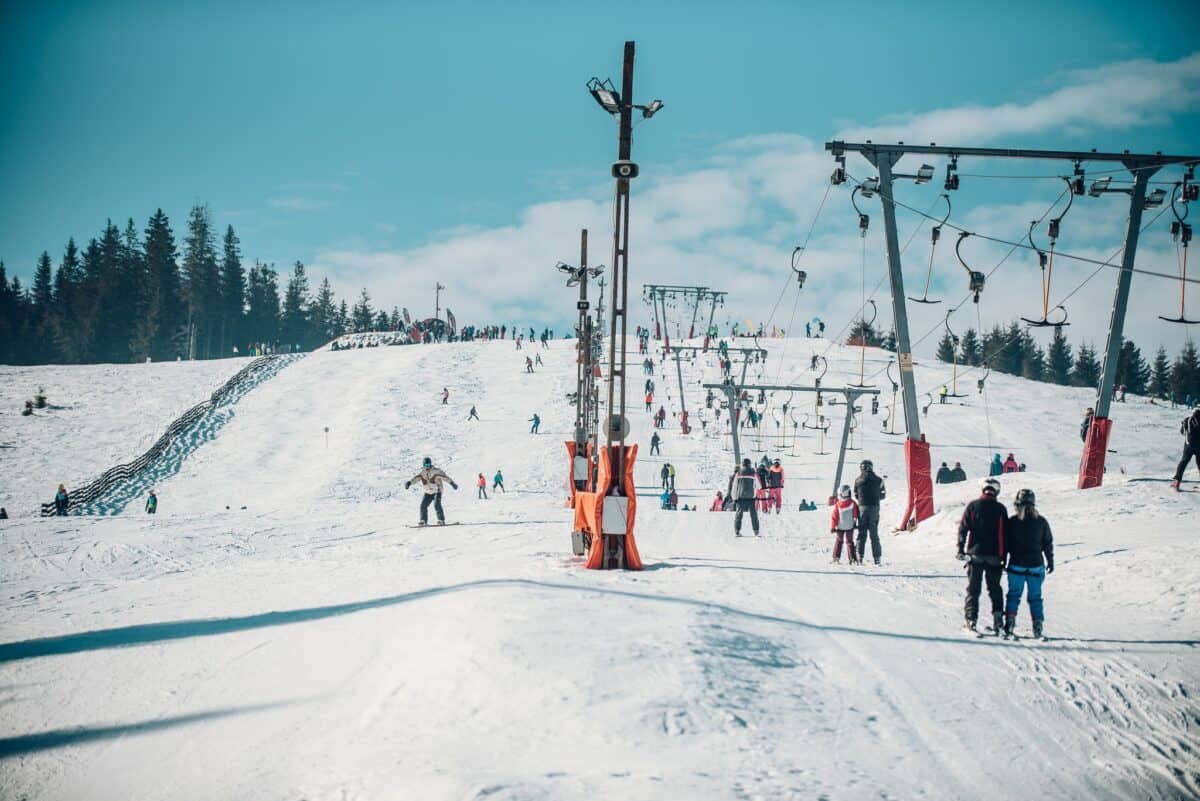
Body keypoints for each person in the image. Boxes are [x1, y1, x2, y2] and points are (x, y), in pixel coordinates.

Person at [957, 477, 1008, 635]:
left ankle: (971, 620)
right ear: (996, 491)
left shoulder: (973, 506)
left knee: (973, 589)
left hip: (975, 554)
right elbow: (1005, 535)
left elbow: (963, 528)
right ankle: (998, 620)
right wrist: (1004, 558)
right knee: (995, 589)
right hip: (994, 556)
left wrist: (961, 549)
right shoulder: (1001, 509)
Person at [1003, 489, 1054, 639]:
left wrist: (1002, 561)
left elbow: (1005, 544)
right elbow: (1048, 543)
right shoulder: (1041, 521)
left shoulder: (1012, 522)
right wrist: (1050, 560)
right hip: (1036, 565)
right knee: (1035, 597)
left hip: (1016, 565)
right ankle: (1037, 626)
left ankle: (1010, 623)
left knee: (1013, 596)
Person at [404, 457, 458, 526]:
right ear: (423, 465)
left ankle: (441, 520)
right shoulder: (422, 473)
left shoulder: (436, 471)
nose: (428, 466)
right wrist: (409, 483)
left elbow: (445, 477)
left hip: (437, 491)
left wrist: (452, 483)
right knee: (423, 506)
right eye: (426, 465)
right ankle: (423, 520)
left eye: (429, 465)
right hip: (428, 492)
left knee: (436, 505)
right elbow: (415, 479)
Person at [853, 459, 886, 565]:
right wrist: (876, 498)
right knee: (874, 535)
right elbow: (883, 494)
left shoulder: (857, 480)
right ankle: (877, 558)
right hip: (874, 508)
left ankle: (859, 556)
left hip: (862, 508)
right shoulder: (879, 480)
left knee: (861, 533)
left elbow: (856, 495)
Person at [727, 458, 765, 537]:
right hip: (751, 497)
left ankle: (737, 531)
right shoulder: (753, 473)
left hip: (741, 497)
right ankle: (756, 531)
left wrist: (734, 497)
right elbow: (759, 486)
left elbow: (735, 486)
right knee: (753, 515)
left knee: (739, 515)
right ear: (749, 464)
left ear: (743, 464)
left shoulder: (738, 473)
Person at [1172, 406, 1200, 490]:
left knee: (1183, 463)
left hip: (1189, 445)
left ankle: (1177, 483)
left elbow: (1182, 432)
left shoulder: (1187, 420)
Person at [830, 485, 859, 565]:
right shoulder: (853, 503)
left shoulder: (838, 504)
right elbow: (855, 514)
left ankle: (836, 557)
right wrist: (854, 523)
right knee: (849, 542)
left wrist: (833, 527)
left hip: (840, 527)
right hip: (850, 526)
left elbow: (834, 517)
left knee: (839, 541)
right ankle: (852, 558)